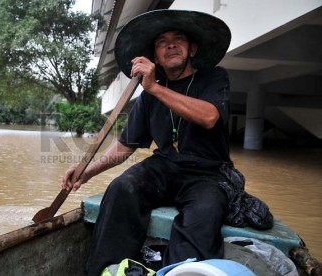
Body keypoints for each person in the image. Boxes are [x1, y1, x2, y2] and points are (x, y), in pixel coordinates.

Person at [62, 9, 243, 275]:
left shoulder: (213, 78)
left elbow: (209, 116)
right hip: (165, 165)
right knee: (122, 187)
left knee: (205, 212)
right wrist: (85, 173)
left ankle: (177, 271)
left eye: (178, 38)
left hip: (208, 172)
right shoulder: (147, 98)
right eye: (161, 42)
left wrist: (155, 88)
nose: (170, 44)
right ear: (155, 56)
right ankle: (105, 269)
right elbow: (125, 146)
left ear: (192, 49)